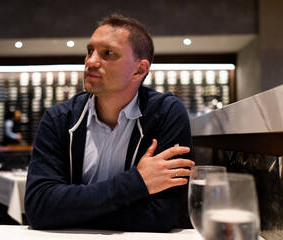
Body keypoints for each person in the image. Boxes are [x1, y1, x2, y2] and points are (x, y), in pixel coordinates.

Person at [25, 14, 195, 232]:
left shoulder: (166, 114)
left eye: (108, 53)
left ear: (139, 70)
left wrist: (71, 212)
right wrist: (137, 182)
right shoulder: (58, 119)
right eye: (89, 51)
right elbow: (40, 208)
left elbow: (161, 216)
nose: (91, 61)